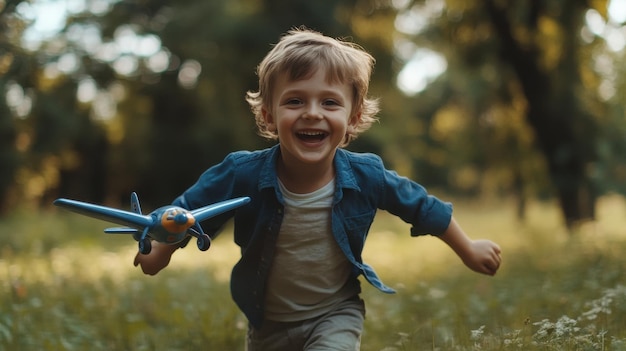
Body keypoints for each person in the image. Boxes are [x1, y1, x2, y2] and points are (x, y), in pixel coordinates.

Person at [133, 27, 502, 350]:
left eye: (330, 102)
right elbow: (183, 213)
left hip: (336, 312)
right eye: (295, 100)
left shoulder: (366, 175)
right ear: (268, 115)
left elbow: (421, 206)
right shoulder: (241, 173)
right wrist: (160, 252)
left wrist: (468, 248)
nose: (312, 112)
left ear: (353, 116)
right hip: (268, 323)